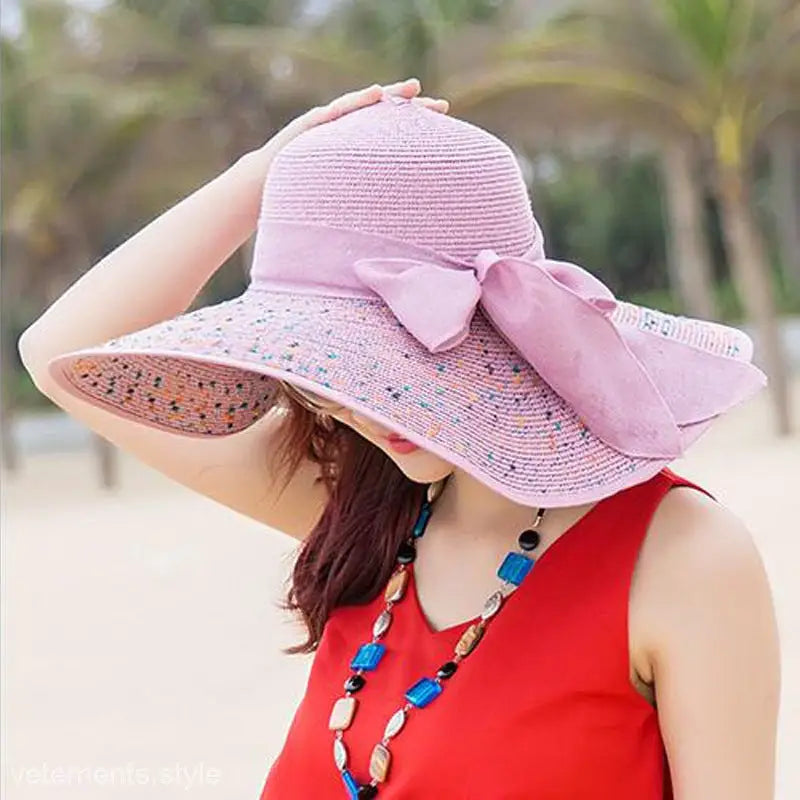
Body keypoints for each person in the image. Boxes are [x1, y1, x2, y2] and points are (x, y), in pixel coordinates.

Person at [19, 78, 780, 799]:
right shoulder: (367, 512)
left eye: (388, 366)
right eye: (333, 370)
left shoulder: (682, 558)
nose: (359, 409)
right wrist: (264, 179)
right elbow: (64, 356)